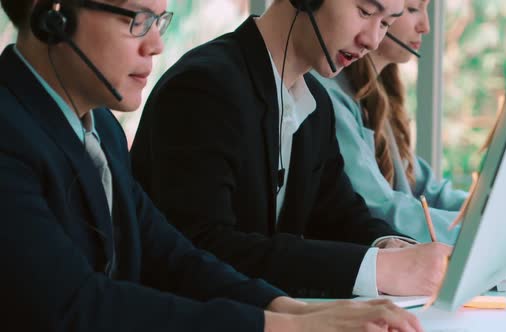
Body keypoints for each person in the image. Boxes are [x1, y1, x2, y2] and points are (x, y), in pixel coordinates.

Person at [0, 1, 423, 331]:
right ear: (52, 15)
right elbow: (73, 306)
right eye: (136, 20)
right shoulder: (10, 133)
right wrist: (279, 327)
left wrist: (291, 311)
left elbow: (172, 254)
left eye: (159, 21)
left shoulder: (102, 130)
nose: (156, 45)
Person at [131, 0, 452, 300]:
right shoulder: (204, 88)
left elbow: (341, 216)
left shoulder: (315, 105)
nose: (372, 40)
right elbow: (205, 248)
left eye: (385, 23)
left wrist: (391, 248)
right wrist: (378, 270)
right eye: (366, 12)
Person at [313, 0, 467, 245]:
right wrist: (478, 236)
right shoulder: (329, 95)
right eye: (413, 9)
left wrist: (492, 213)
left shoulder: (380, 95)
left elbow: (428, 190)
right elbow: (379, 206)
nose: (425, 26)